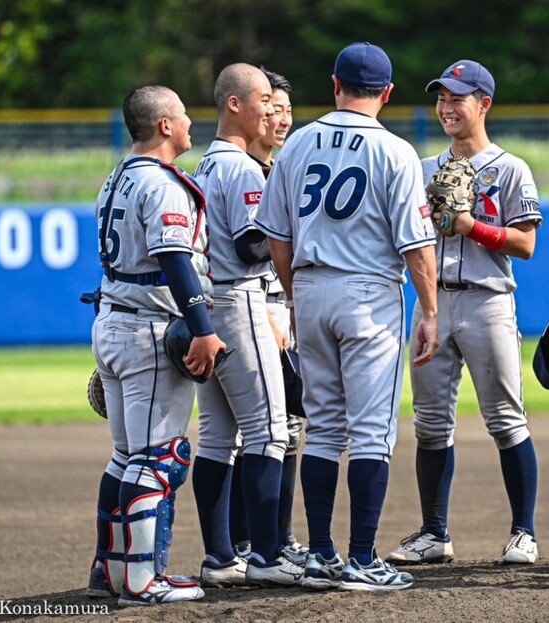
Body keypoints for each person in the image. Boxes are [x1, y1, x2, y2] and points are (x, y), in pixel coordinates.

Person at [255, 41, 439, 591]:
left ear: (335, 84)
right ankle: (361, 557)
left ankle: (319, 555)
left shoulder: (298, 142)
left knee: (324, 430)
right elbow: (416, 246)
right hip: (369, 294)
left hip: (309, 288)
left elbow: (276, 238)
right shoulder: (396, 152)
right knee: (371, 433)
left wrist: (297, 295)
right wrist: (430, 313)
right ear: (386, 93)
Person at [384, 60, 544, 567]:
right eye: (442, 97)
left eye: (458, 97)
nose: (447, 107)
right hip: (432, 303)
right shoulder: (423, 168)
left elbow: (525, 244)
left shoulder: (511, 168)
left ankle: (524, 533)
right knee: (430, 425)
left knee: (505, 419)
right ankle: (434, 533)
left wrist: (469, 225)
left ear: (484, 104)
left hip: (487, 300)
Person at [84, 85, 226, 606]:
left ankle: (110, 569)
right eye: (184, 116)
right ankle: (141, 581)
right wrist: (205, 327)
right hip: (148, 327)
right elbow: (174, 260)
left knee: (125, 458)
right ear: (165, 126)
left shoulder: (115, 176)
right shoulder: (160, 184)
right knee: (158, 458)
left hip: (114, 321)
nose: (191, 123)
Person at [190, 63, 302, 588]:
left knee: (217, 437)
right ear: (234, 104)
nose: (271, 108)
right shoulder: (240, 168)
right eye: (262, 99)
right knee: (270, 431)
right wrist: (294, 231)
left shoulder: (207, 164)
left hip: (209, 305)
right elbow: (251, 244)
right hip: (239, 300)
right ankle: (266, 555)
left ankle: (220, 557)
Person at [226, 67, 308, 565]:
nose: (281, 118)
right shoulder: (243, 171)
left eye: (287, 110)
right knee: (252, 433)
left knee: (290, 428)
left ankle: (277, 535)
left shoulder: (282, 170)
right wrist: (270, 312)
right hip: (258, 308)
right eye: (272, 108)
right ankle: (246, 542)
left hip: (283, 308)